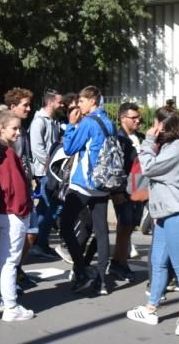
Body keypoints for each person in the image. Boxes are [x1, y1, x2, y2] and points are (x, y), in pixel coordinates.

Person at [127, 112, 179, 336]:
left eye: (159, 124)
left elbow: (149, 168)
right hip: (166, 211)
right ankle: (151, 308)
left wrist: (148, 141)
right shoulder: (172, 146)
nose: (154, 127)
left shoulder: (177, 147)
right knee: (158, 260)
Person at [0, 110, 35, 321]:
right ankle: (11, 306)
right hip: (11, 212)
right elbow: (15, 187)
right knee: (9, 262)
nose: (18, 132)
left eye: (19, 128)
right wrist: (23, 210)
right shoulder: (8, 153)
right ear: (2, 128)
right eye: (14, 128)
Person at [59, 85, 113, 294]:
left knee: (65, 226)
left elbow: (69, 148)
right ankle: (101, 281)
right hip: (103, 184)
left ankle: (81, 270)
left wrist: (71, 125)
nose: (78, 105)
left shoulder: (88, 123)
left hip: (83, 183)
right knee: (101, 232)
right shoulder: (108, 122)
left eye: (81, 101)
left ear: (92, 101)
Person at [109, 103, 145, 285]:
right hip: (124, 190)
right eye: (134, 118)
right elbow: (114, 167)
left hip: (140, 190)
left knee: (131, 227)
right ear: (123, 118)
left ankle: (118, 261)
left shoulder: (142, 138)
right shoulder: (117, 138)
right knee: (124, 227)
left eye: (139, 117)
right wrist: (116, 191)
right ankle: (119, 263)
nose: (138, 120)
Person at [29, 89, 62, 259]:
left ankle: (38, 242)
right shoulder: (39, 122)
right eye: (59, 102)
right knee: (52, 208)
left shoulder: (52, 121)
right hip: (45, 172)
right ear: (50, 103)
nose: (61, 105)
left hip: (50, 171)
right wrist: (51, 164)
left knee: (43, 208)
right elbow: (37, 148)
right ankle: (39, 243)